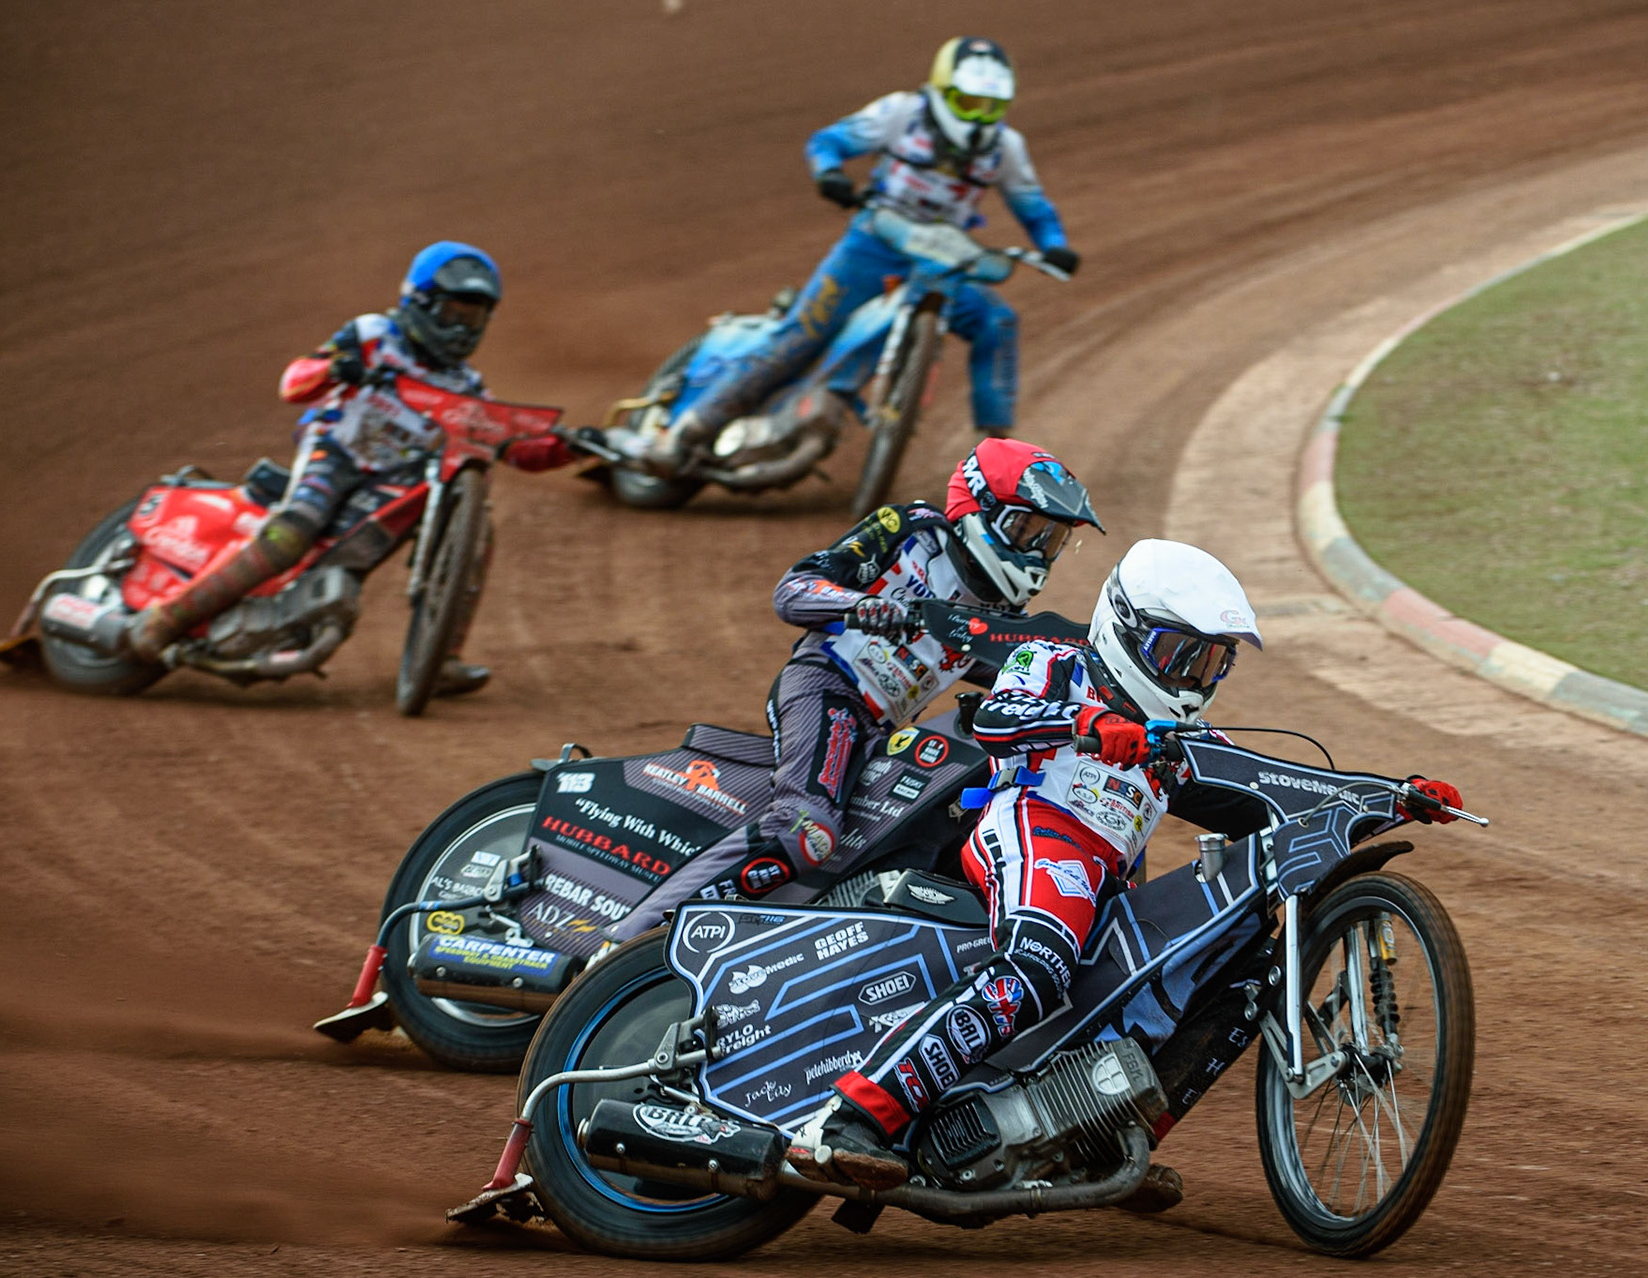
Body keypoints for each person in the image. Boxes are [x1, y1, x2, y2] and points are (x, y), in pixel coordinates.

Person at [789, 539, 1466, 1191]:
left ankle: (1095, 1139)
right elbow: (998, 717)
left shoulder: (1188, 738)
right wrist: (1085, 727)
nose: (1191, 679)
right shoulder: (1057, 661)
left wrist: (1386, 796)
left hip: (1106, 877)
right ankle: (849, 1119)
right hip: (1033, 828)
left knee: (1191, 982)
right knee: (1038, 966)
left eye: (1210, 665)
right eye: (1178, 655)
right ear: (1124, 629)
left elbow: (1276, 787)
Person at [607, 437, 1101, 938]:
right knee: (806, 831)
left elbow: (1009, 669)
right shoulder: (911, 529)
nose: (1040, 551)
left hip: (880, 730)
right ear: (981, 507)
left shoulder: (999, 611)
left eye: (1053, 539)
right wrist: (861, 607)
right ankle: (630, 942)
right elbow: (793, 590)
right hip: (826, 685)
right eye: (1029, 529)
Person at [127, 241, 575, 692]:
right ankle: (165, 619)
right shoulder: (373, 336)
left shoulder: (468, 386)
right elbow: (295, 382)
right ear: (419, 301)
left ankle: (443, 657)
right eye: (452, 313)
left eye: (474, 318)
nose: (461, 329)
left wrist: (576, 447)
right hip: (335, 451)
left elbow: (517, 450)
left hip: (391, 482)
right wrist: (337, 368)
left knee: (478, 531)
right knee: (294, 532)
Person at [649, 36, 1076, 474]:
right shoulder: (901, 113)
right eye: (967, 102)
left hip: (941, 264)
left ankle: (997, 455)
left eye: (991, 106)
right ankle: (687, 429)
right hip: (872, 246)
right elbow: (828, 141)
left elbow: (1033, 206)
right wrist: (829, 174)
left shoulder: (1007, 148)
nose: (979, 117)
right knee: (799, 337)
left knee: (997, 322)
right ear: (942, 91)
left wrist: (1055, 244)